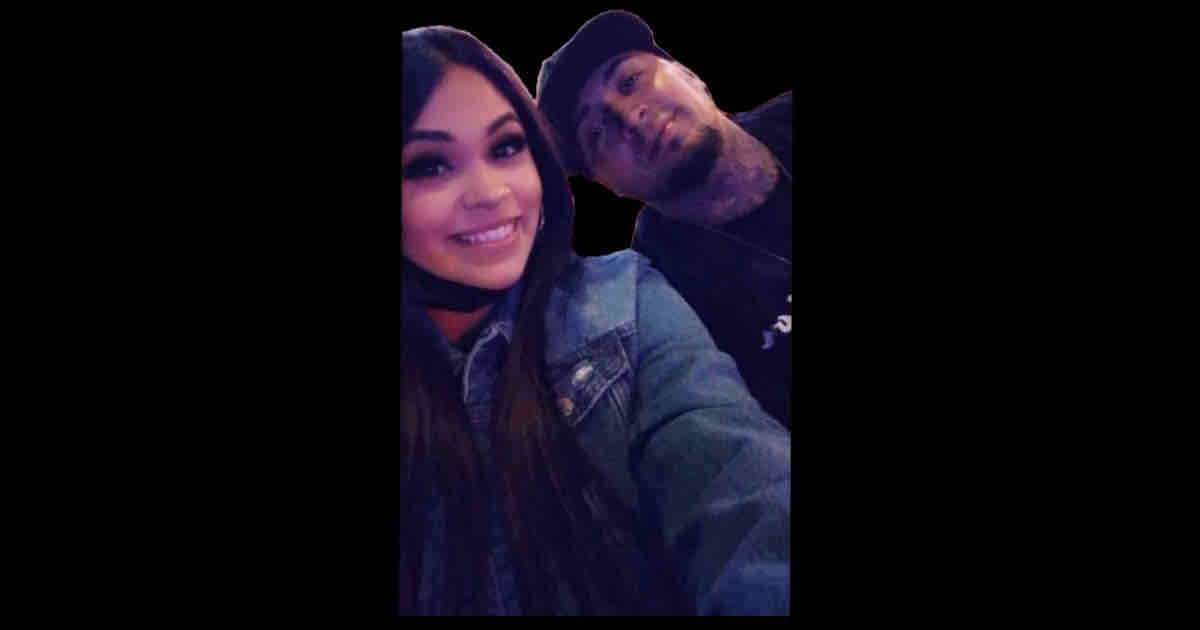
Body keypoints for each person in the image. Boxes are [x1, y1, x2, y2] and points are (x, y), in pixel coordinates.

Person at [401, 26, 789, 615]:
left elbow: (745, 490)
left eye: (506, 147)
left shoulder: (620, 302)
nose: (489, 193)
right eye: (429, 164)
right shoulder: (651, 281)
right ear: (607, 184)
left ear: (691, 74)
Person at [536, 10, 793, 428]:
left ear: (690, 76)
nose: (628, 117)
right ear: (609, 185)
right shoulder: (660, 301)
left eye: (629, 81)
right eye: (596, 133)